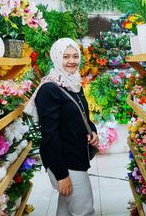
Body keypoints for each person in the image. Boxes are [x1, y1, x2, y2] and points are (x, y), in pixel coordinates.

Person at [25, 38, 98, 216]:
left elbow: (81, 113)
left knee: (66, 207)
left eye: (75, 56)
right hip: (65, 161)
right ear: (57, 58)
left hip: (75, 153)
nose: (72, 61)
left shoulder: (72, 81)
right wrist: (61, 175)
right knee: (84, 210)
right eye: (66, 57)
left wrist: (92, 129)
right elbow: (50, 135)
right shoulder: (50, 88)